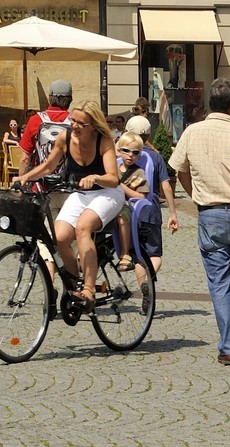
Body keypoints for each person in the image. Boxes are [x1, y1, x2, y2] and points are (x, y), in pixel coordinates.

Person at [169, 77, 230, 366]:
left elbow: (177, 168)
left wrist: (194, 191)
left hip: (208, 213)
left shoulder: (192, 132)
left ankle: (228, 348)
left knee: (219, 283)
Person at [26, 100, 124, 307]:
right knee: (59, 237)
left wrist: (96, 178)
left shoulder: (104, 140)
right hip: (82, 193)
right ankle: (73, 286)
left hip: (108, 192)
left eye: (81, 123)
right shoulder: (65, 137)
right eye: (73, 120)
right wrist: (25, 177)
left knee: (83, 227)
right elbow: (48, 166)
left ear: (94, 126)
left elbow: (113, 178)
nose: (75, 126)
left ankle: (89, 290)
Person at [125, 115, 180, 272]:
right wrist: (172, 213)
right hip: (150, 211)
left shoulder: (123, 155)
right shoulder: (156, 156)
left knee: (135, 253)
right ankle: (147, 281)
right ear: (149, 135)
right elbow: (166, 186)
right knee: (154, 254)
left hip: (128, 209)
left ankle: (143, 281)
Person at [18, 79, 73, 179]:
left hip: (41, 183)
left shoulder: (36, 120)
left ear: (49, 99)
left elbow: (25, 159)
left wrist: (21, 181)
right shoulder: (75, 122)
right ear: (70, 100)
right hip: (69, 185)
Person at [114, 133, 150, 269]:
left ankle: (125, 253)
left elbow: (142, 196)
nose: (130, 155)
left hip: (128, 206)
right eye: (126, 151)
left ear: (139, 155)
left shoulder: (139, 172)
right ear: (119, 151)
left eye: (135, 152)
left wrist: (121, 186)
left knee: (122, 216)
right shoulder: (113, 170)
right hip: (111, 203)